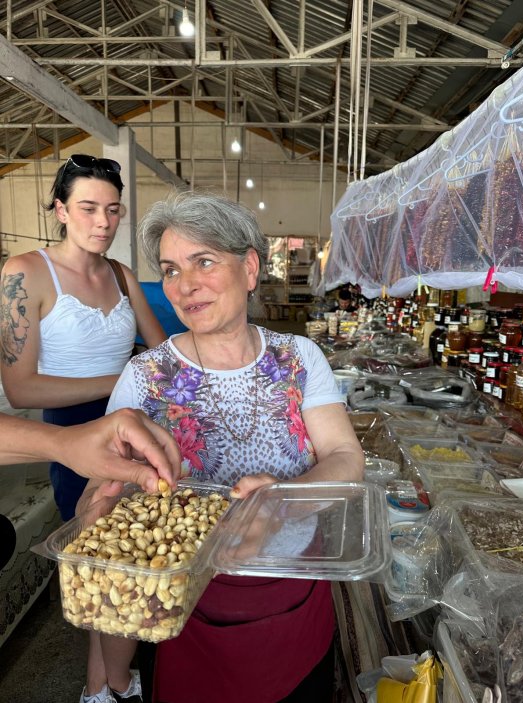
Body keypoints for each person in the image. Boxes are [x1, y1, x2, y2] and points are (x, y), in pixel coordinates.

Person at [85, 190, 365, 703]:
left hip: (293, 591)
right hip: (183, 606)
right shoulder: (145, 378)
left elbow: (346, 461)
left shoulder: (299, 358)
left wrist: (280, 499)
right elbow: (106, 516)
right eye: (170, 270)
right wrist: (106, 670)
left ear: (251, 268)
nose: (184, 285)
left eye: (204, 262)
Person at [0, 153, 167, 703]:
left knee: (128, 563)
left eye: (113, 210)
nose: (103, 222)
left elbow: (160, 353)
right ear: (61, 210)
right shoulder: (24, 274)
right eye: (89, 208)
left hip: (134, 433)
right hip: (76, 440)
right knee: (106, 565)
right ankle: (113, 685)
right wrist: (118, 382)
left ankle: (104, 687)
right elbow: (22, 388)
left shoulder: (120, 275)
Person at [0, 408, 181, 571]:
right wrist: (65, 443)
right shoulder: (141, 379)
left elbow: (90, 508)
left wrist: (63, 443)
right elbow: (86, 505)